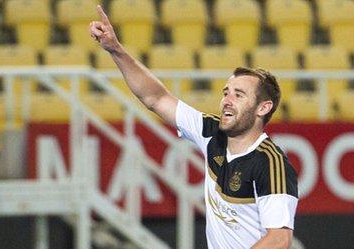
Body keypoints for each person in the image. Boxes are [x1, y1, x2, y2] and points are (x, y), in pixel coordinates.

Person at [89, 5, 299, 249]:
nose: (227, 100)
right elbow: (156, 98)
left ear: (263, 108)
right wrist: (116, 50)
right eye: (226, 92)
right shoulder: (212, 132)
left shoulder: (271, 164)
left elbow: (280, 239)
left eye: (239, 95)